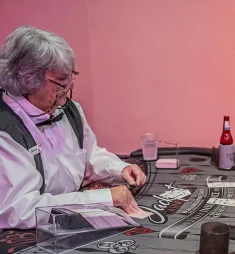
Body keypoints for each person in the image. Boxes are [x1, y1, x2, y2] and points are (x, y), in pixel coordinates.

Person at [0, 26, 146, 229]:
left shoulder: (69, 109)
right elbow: (21, 209)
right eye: (60, 81)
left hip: (68, 220)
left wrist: (119, 169)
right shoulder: (5, 131)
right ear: (27, 80)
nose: (66, 93)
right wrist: (102, 198)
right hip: (28, 238)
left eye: (70, 78)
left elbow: (89, 155)